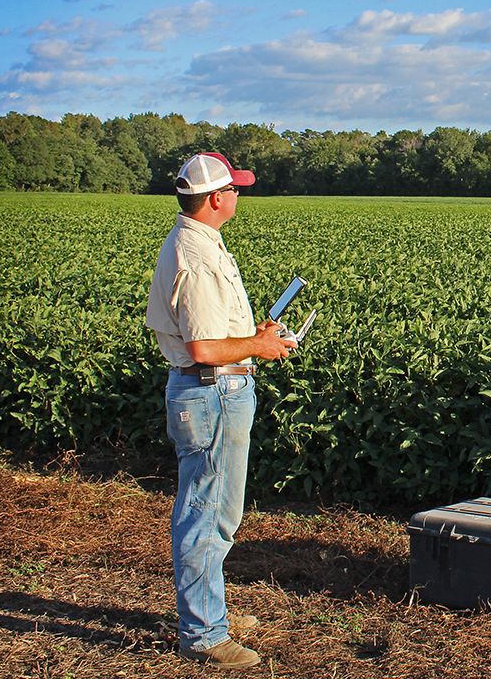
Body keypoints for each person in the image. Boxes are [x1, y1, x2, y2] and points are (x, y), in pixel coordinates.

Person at [145, 152, 296, 670]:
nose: (238, 196)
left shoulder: (200, 241)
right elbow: (205, 348)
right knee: (205, 514)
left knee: (220, 512)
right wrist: (260, 347)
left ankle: (210, 609)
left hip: (217, 392)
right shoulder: (198, 257)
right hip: (209, 391)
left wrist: (256, 339)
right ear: (216, 198)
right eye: (235, 189)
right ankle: (204, 633)